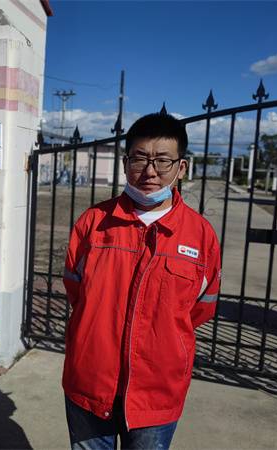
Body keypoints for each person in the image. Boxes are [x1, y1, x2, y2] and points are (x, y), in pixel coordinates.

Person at [62, 112, 221, 449]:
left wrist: (163, 337)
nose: (150, 171)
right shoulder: (93, 223)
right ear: (125, 163)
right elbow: (76, 290)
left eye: (163, 161)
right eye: (140, 159)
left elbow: (200, 310)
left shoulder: (201, 235)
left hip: (157, 391)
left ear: (181, 168)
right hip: (89, 381)